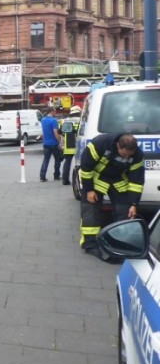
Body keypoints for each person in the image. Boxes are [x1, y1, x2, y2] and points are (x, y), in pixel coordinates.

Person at [79, 133, 144, 261]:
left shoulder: (137, 155)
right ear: (118, 146)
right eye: (124, 154)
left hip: (118, 180)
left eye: (129, 155)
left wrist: (133, 204)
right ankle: (90, 244)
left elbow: (136, 180)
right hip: (97, 178)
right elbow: (86, 168)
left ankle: (119, 243)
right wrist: (89, 190)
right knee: (90, 210)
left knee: (124, 210)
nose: (126, 157)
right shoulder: (100, 144)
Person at [59, 105, 82, 186]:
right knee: (80, 164)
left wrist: (61, 144)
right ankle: (79, 181)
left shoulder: (64, 121)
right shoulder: (81, 120)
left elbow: (61, 132)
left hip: (68, 146)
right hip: (79, 145)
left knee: (67, 163)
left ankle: (65, 180)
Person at [39, 107, 62, 182]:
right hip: (54, 143)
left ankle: (42, 176)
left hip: (46, 143)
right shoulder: (54, 120)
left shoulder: (43, 120)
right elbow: (55, 132)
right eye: (55, 111)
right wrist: (60, 141)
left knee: (46, 160)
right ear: (52, 111)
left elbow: (43, 132)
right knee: (57, 160)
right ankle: (56, 175)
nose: (55, 113)